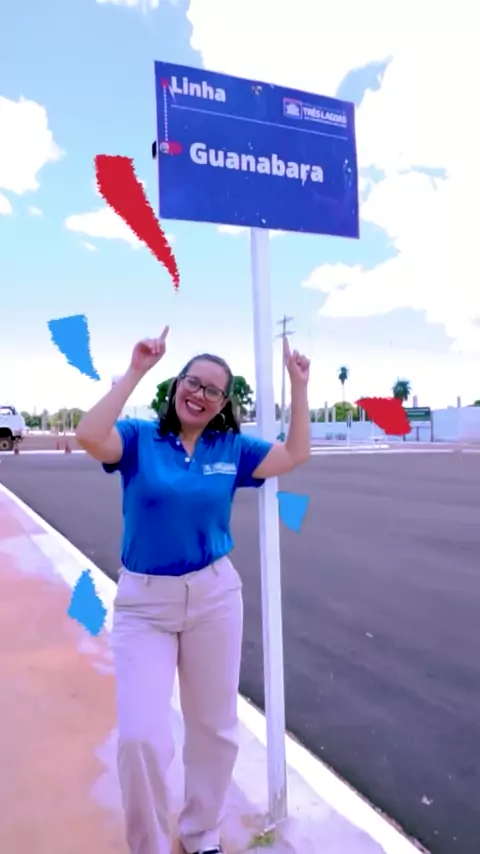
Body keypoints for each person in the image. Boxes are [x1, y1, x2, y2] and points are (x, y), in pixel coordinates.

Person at [76, 326, 311, 854]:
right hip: (145, 605)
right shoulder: (138, 439)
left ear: (224, 403)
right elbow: (91, 436)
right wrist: (136, 369)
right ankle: (150, 845)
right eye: (192, 382)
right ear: (176, 384)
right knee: (140, 736)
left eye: (213, 390)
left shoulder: (232, 449)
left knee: (214, 729)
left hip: (214, 598)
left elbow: (295, 453)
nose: (199, 394)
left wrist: (298, 386)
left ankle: (201, 832)